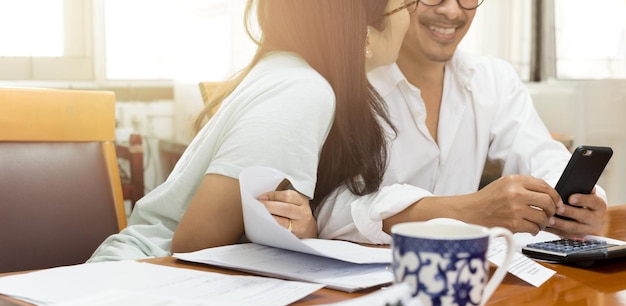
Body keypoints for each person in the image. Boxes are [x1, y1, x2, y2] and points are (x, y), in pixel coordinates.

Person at [88, 0, 411, 262]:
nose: (410, 17)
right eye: (405, 5)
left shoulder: (286, 71)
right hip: (143, 274)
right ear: (365, 34)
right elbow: (195, 245)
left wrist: (301, 227)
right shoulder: (301, 90)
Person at [315, 0, 608, 244]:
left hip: (472, 278)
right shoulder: (348, 85)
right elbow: (328, 211)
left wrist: (581, 204)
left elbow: (544, 157)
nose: (453, 12)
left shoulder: (493, 78)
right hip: (371, 283)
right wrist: (468, 210)